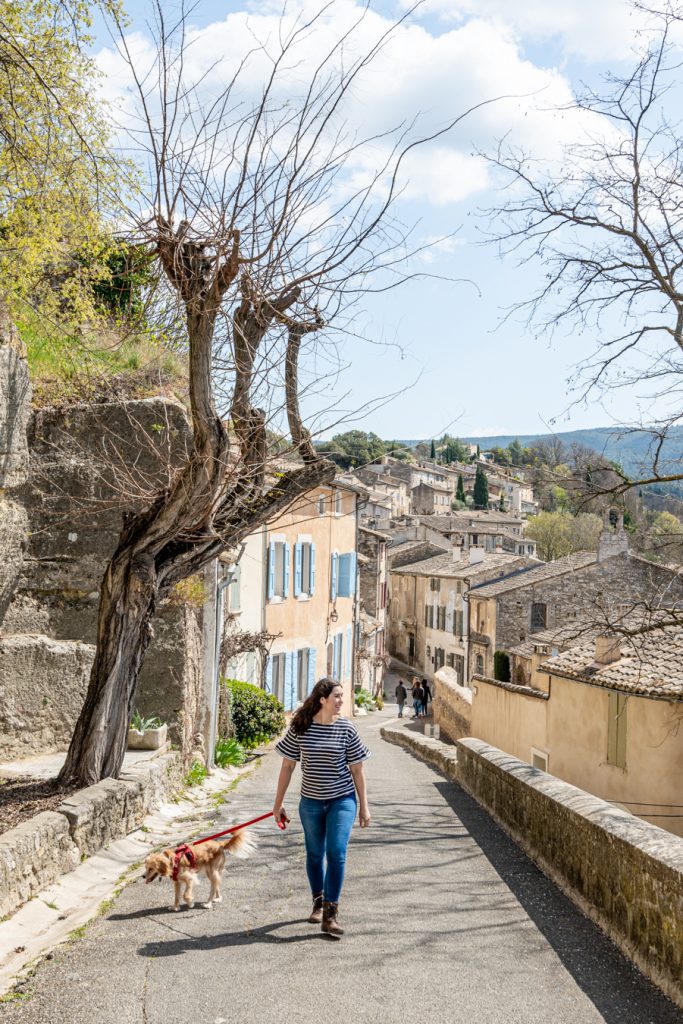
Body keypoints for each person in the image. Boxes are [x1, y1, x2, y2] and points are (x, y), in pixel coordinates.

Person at [272, 678, 371, 938]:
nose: (341, 701)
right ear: (322, 700)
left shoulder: (347, 728)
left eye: (342, 696)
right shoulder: (301, 727)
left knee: (336, 852)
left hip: (342, 800)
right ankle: (318, 900)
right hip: (311, 803)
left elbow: (357, 769)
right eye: (336, 697)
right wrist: (278, 804)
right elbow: (287, 766)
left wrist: (364, 806)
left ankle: (330, 913)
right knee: (315, 855)